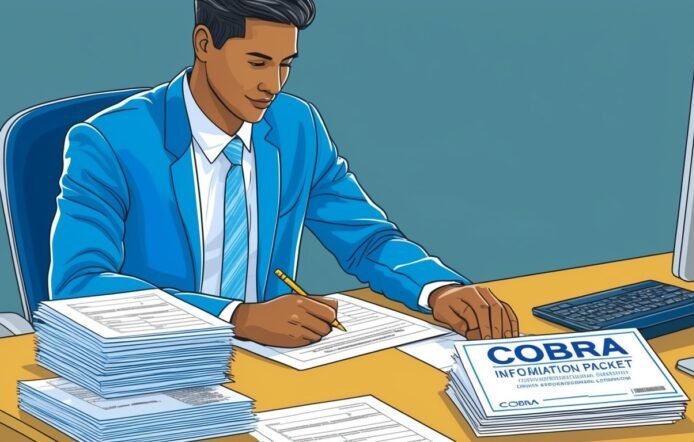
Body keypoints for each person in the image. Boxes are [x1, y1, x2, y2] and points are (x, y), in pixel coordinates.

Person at [49, 0, 519, 347]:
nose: (272, 85)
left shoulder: (296, 128)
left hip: (278, 364)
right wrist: (236, 318)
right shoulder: (109, 142)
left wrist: (438, 290)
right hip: (157, 365)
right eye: (257, 62)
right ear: (204, 44)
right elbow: (80, 283)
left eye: (284, 65)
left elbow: (366, 239)